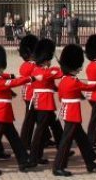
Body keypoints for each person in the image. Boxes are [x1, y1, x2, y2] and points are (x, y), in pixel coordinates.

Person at [0, 45, 37, 175]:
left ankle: (23, 161)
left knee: (14, 138)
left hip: (4, 112)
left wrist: (12, 75)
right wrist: (31, 78)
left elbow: (6, 76)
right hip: (0, 112)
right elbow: (13, 83)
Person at [53, 44, 96, 175]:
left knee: (82, 139)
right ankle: (58, 167)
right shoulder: (73, 81)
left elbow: (61, 96)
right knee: (66, 141)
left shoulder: (64, 80)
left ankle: (90, 162)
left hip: (68, 112)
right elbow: (88, 87)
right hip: (72, 114)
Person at [28, 38, 64, 167]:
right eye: (49, 60)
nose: (50, 62)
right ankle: (34, 157)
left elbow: (52, 84)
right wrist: (65, 66)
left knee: (53, 127)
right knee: (40, 132)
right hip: (44, 104)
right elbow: (57, 74)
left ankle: (60, 148)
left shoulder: (40, 70)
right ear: (45, 60)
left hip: (45, 104)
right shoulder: (42, 71)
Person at [18, 34, 40, 146]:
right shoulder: (31, 66)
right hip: (32, 96)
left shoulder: (25, 65)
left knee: (38, 119)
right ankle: (24, 142)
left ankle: (44, 138)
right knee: (30, 120)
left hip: (30, 95)